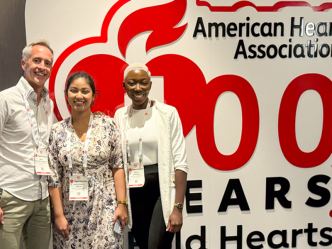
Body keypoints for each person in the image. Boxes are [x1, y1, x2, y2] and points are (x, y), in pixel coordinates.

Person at [48, 71, 128, 248]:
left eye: (85, 91)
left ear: (93, 96)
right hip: (70, 210)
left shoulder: (108, 125)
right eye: (74, 90)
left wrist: (122, 204)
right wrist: (59, 215)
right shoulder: (57, 131)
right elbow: (53, 176)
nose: (79, 96)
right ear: (66, 95)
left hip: (105, 206)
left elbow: (118, 166)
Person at [114, 62, 188, 249]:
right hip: (134, 192)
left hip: (160, 191)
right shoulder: (120, 116)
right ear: (124, 87)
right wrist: (122, 201)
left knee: (156, 245)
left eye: (143, 83)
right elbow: (118, 162)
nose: (138, 88)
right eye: (132, 83)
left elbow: (180, 163)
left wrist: (178, 207)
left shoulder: (167, 113)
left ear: (150, 84)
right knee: (144, 245)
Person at [0, 39, 54, 249]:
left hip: (42, 199)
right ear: (24, 64)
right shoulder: (5, 99)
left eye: (47, 63)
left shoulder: (48, 103)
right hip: (11, 197)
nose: (42, 67)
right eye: (36, 60)